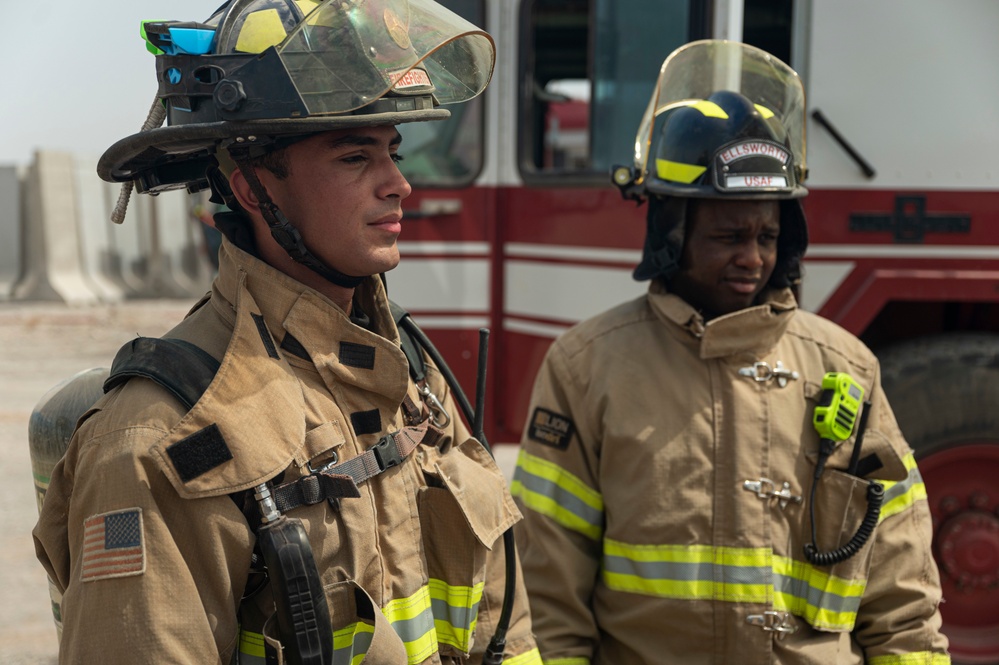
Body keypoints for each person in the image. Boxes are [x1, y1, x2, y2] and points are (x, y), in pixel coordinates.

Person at [33, 1, 540, 663]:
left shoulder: (412, 375)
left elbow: (508, 627)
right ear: (252, 188)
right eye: (356, 158)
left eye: (393, 151)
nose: (400, 185)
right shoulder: (162, 435)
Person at [510, 40, 950, 664]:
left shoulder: (845, 368)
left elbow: (902, 590)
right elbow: (546, 589)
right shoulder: (588, 368)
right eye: (727, 235)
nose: (752, 258)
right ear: (670, 232)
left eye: (768, 235)